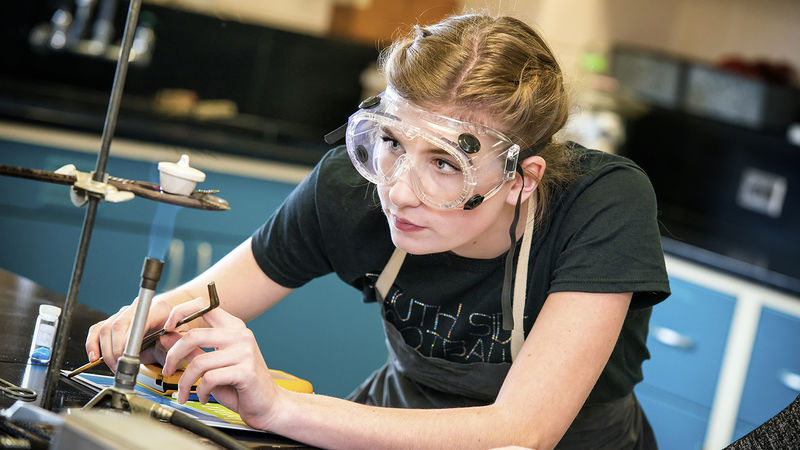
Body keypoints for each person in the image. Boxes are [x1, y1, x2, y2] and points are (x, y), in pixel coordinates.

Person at [85, 13, 670, 450]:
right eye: (390, 142)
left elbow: (521, 432)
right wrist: (145, 328)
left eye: (444, 162)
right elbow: (200, 303)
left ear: (521, 178)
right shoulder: (354, 185)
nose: (397, 190)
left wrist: (276, 407)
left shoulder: (601, 205)